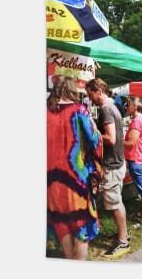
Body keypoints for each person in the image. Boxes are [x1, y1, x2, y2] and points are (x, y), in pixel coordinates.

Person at [47, 76, 103, 260]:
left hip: (52, 181)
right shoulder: (79, 110)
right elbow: (95, 141)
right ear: (72, 90)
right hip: (76, 179)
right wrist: (95, 129)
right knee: (82, 227)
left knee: (61, 223)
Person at [85, 78, 130, 258]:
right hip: (117, 162)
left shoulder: (105, 109)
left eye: (90, 94)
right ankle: (123, 235)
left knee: (113, 203)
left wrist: (92, 131)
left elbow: (110, 138)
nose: (90, 99)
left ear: (98, 91)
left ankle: (123, 242)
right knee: (116, 201)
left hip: (112, 164)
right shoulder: (112, 107)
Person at [123, 96, 142, 228]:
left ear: (134, 107)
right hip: (139, 157)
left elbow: (130, 143)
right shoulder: (141, 119)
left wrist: (117, 140)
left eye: (128, 104)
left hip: (136, 158)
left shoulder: (137, 121)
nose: (125, 106)